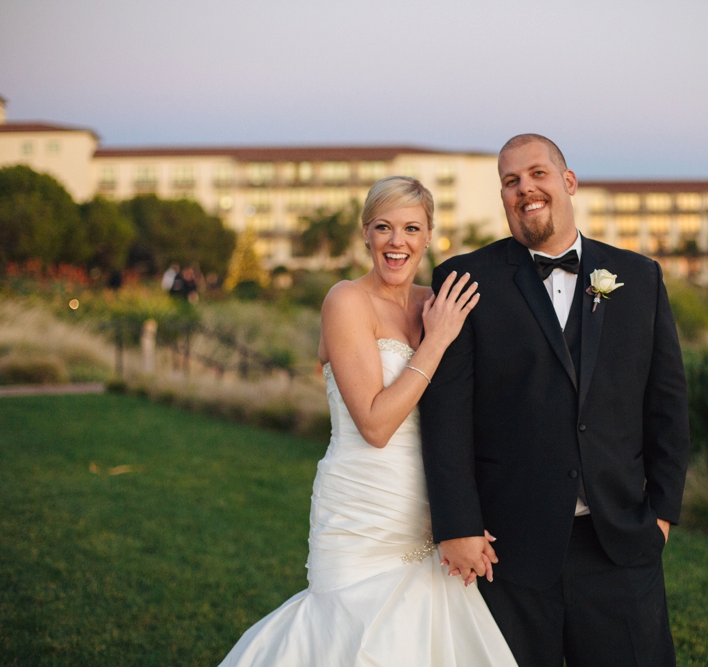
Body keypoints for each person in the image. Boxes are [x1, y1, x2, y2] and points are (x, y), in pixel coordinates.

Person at [218, 176, 517, 667]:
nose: (396, 241)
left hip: (431, 507)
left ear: (428, 236)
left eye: (410, 228)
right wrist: (436, 341)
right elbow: (375, 425)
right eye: (383, 227)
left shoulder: (437, 303)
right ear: (365, 234)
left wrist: (463, 514)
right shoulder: (346, 301)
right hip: (363, 510)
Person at [420, 134, 691, 667]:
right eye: (510, 181)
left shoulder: (638, 277)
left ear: (568, 182)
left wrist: (661, 512)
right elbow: (446, 414)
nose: (525, 189)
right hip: (506, 549)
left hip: (618, 540)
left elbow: (668, 402)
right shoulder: (465, 279)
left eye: (538, 173)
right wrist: (457, 524)